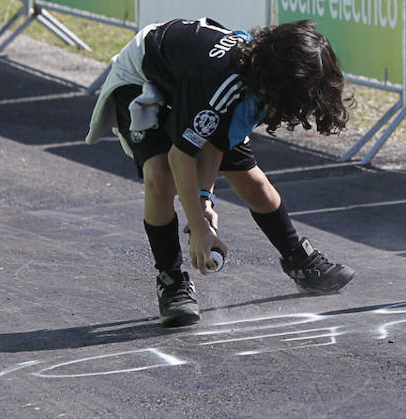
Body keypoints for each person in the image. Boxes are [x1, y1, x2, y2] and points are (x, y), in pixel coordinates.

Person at [86, 17, 356, 326]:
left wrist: (204, 200)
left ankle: (299, 260)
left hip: (193, 86)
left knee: (254, 183)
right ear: (280, 79)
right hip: (142, 75)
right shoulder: (226, 84)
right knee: (160, 176)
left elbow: (214, 143)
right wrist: (199, 228)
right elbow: (181, 157)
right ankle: (171, 280)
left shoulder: (255, 84)